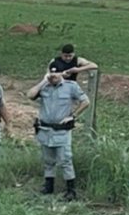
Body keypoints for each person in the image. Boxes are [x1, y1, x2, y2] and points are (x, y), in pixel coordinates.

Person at [26, 66, 90, 200]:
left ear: (61, 74)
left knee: (65, 160)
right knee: (48, 160)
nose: (52, 76)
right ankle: (48, 186)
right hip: (45, 130)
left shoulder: (71, 86)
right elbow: (30, 95)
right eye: (51, 73)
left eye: (55, 74)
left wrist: (73, 116)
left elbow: (85, 102)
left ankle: (70, 190)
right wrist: (44, 81)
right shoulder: (44, 86)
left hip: (61, 131)